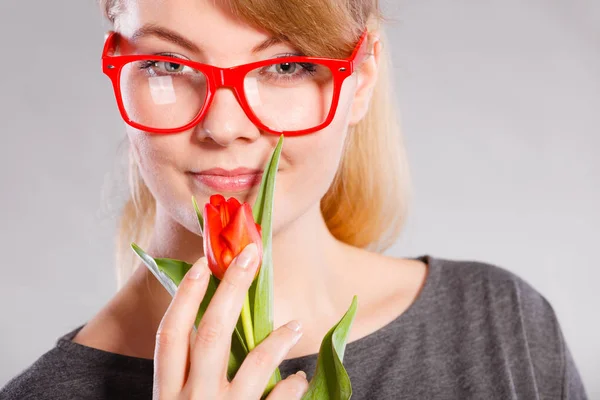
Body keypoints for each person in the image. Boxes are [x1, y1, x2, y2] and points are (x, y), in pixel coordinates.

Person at [0, 0, 589, 399]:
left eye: (285, 65)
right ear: (116, 68)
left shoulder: (503, 327)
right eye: (167, 64)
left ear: (359, 81)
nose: (225, 126)